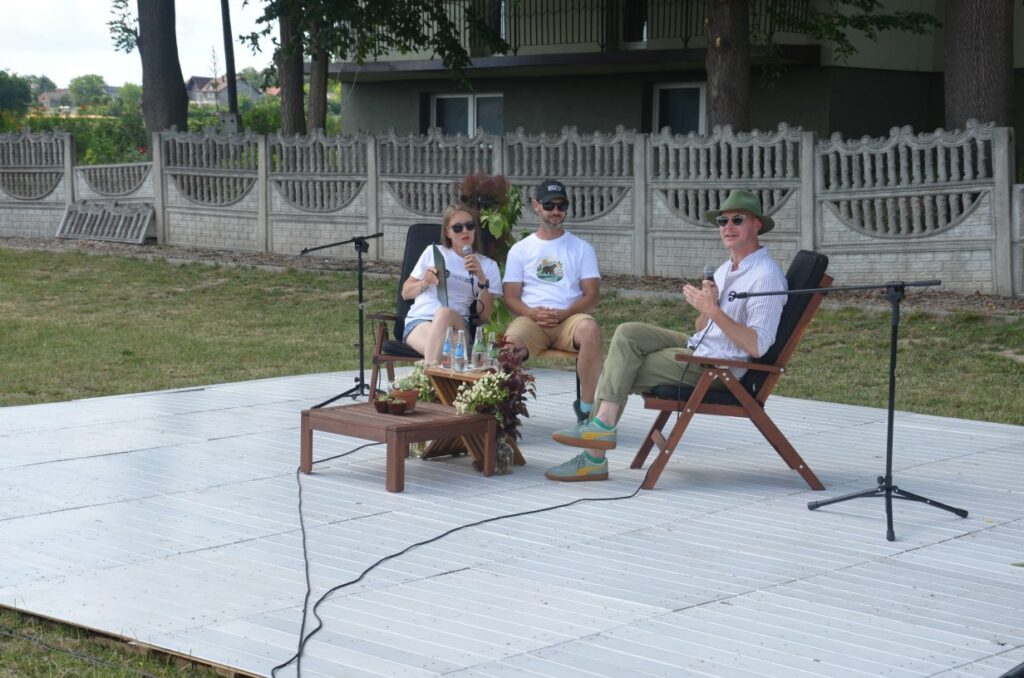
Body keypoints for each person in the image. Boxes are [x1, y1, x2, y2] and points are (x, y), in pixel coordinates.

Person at [545, 189, 788, 482]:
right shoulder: (726, 269)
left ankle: (594, 453)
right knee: (628, 333)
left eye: (738, 220)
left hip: (718, 368)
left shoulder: (765, 276)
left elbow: (758, 345)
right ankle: (601, 430)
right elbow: (703, 326)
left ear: (757, 225)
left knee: (623, 365)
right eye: (722, 221)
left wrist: (714, 311)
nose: (728, 227)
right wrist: (708, 306)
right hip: (700, 346)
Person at [502, 179, 603, 423]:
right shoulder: (521, 249)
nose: (556, 211)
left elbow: (592, 295)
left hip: (569, 318)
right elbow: (510, 297)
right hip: (531, 319)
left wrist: (564, 314)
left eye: (561, 205)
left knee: (591, 330)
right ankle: (506, 412)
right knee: (508, 348)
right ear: (536, 206)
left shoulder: (582, 248)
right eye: (549, 205)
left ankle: (586, 408)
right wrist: (530, 313)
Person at [402, 203, 502, 363]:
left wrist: (482, 280)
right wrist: (425, 282)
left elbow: (484, 315)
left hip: (458, 324)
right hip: (420, 321)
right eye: (457, 228)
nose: (465, 231)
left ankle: (427, 375)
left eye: (470, 226)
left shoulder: (488, 266)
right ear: (447, 232)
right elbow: (406, 293)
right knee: (448, 350)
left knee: (445, 313)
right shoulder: (433, 252)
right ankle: (434, 373)